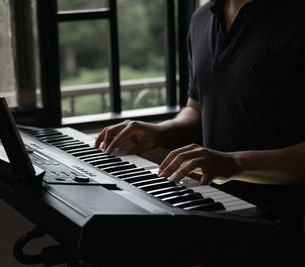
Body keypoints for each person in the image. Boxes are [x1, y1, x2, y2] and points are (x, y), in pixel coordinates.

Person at [95, 0, 305, 258]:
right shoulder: (202, 18)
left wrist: (233, 163)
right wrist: (160, 131)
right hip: (216, 206)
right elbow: (196, 109)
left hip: (286, 223)